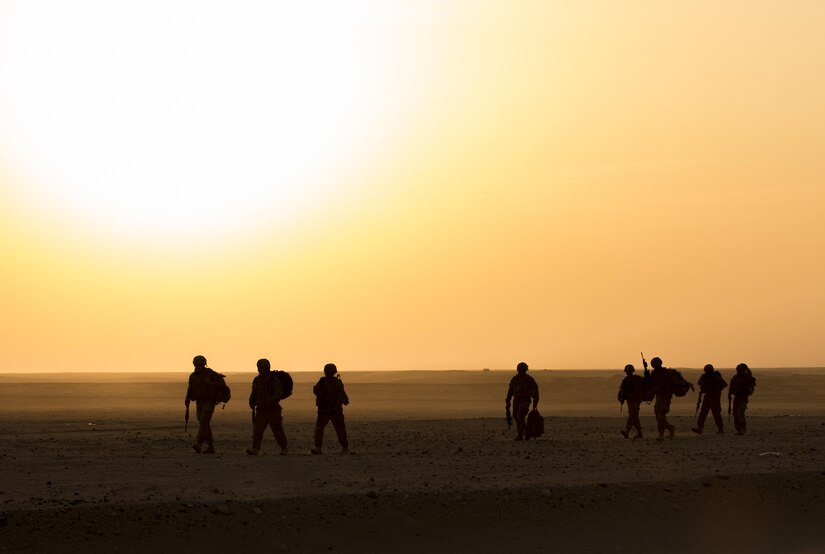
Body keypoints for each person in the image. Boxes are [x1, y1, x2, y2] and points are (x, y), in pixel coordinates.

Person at [246, 358, 288, 455]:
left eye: (262, 368)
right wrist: (251, 402)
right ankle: (255, 449)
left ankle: (284, 448)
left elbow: (278, 392)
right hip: (261, 410)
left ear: (268, 367)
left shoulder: (273, 379)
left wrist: (270, 401)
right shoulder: (257, 380)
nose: (260, 370)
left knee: (277, 430)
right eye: (259, 368)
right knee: (257, 431)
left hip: (273, 410)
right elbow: (254, 392)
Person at [184, 355, 221, 454]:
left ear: (204, 364)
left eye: (200, 364)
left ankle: (199, 444)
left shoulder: (211, 374)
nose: (198, 366)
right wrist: (187, 398)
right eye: (197, 364)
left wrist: (210, 383)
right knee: (204, 423)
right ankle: (211, 446)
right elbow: (190, 387)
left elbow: (220, 385)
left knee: (204, 420)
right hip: (199, 402)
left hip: (209, 401)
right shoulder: (193, 375)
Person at [311, 363, 350, 455]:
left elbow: (341, 397)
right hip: (324, 410)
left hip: (334, 411)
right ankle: (318, 447)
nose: (327, 373)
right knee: (319, 429)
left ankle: (345, 447)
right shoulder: (322, 381)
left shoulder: (337, 383)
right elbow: (315, 391)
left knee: (340, 429)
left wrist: (335, 407)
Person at [505, 362, 539, 441]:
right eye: (521, 370)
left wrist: (535, 403)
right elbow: (510, 390)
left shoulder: (529, 380)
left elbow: (535, 391)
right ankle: (524, 432)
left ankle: (522, 433)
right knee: (516, 416)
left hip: (525, 400)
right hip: (516, 400)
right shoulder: (515, 379)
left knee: (520, 415)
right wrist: (508, 401)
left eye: (524, 370)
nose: (522, 371)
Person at [692, 364, 727, 435]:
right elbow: (699, 382)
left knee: (716, 414)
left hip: (714, 398)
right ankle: (700, 428)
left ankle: (721, 429)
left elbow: (724, 384)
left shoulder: (716, 377)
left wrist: (717, 390)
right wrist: (707, 381)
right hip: (707, 397)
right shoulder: (705, 377)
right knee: (703, 414)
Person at [649, 356, 676, 440]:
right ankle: (670, 427)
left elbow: (673, 383)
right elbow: (651, 384)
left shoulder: (667, 373)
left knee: (661, 415)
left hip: (666, 397)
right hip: (659, 397)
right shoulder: (654, 374)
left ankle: (661, 434)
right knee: (658, 416)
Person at [617, 364, 646, 439]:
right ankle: (640, 434)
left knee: (632, 415)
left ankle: (627, 431)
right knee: (635, 417)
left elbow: (647, 381)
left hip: (637, 400)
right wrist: (621, 398)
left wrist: (646, 370)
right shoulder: (625, 380)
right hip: (629, 401)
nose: (628, 373)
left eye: (629, 371)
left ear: (632, 371)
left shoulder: (637, 378)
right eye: (627, 371)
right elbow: (621, 390)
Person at [729, 362, 756, 435]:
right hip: (736, 398)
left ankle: (743, 429)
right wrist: (730, 394)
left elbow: (751, 390)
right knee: (735, 414)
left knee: (740, 413)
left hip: (743, 398)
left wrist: (744, 389)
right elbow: (731, 388)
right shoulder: (735, 378)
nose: (738, 371)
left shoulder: (748, 378)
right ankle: (738, 430)